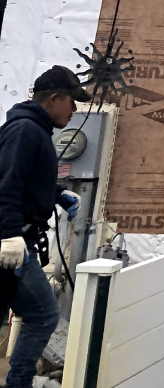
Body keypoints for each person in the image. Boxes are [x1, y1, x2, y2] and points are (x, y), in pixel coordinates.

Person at [0, 65, 89, 388]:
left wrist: (56, 193)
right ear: (54, 98)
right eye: (72, 101)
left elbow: (22, 180)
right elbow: (6, 185)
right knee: (43, 315)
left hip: (16, 239)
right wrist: (9, 235)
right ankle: (18, 383)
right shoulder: (26, 131)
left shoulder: (31, 130)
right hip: (10, 244)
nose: (75, 109)